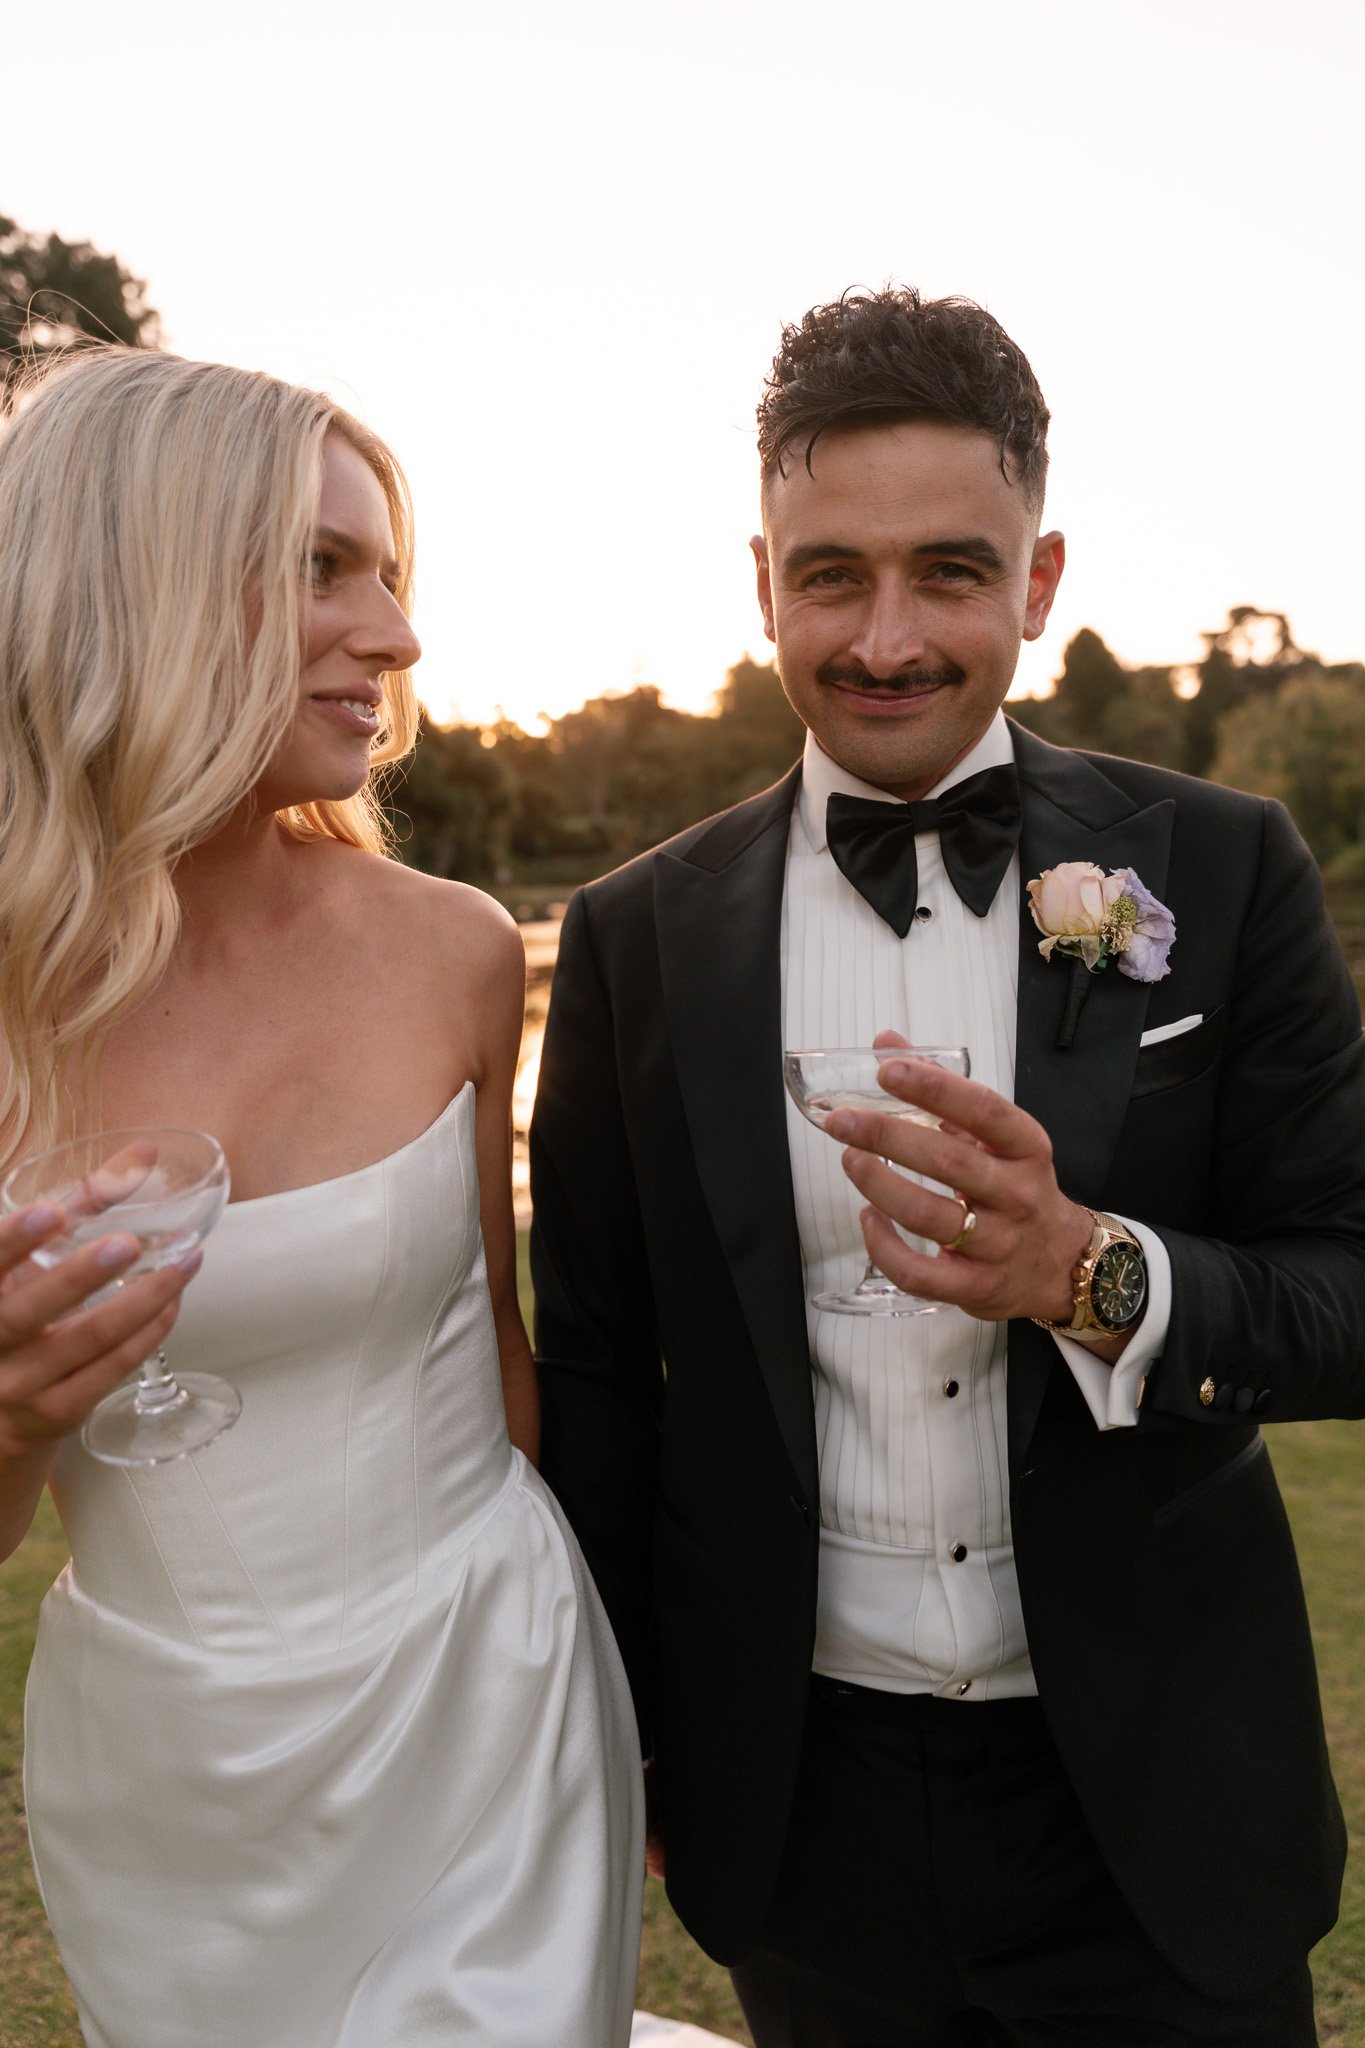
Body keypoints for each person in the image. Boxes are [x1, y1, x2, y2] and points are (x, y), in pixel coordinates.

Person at [531, 287, 1365, 2045]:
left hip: (1153, 1793)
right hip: (803, 1804)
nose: (887, 637)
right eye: (830, 572)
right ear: (758, 577)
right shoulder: (629, 941)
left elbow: (1345, 1288)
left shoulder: (1221, 870)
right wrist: (631, 1741)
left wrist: (1090, 1273)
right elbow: (605, 1383)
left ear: (1040, 578)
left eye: (950, 573)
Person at [0, 347, 642, 2048]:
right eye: (320, 568)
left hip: (479, 1704)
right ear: (130, 583)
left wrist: (634, 1700)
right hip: (170, 1776)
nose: (399, 637)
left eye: (393, 575)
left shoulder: (450, 951)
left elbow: (500, 1365)